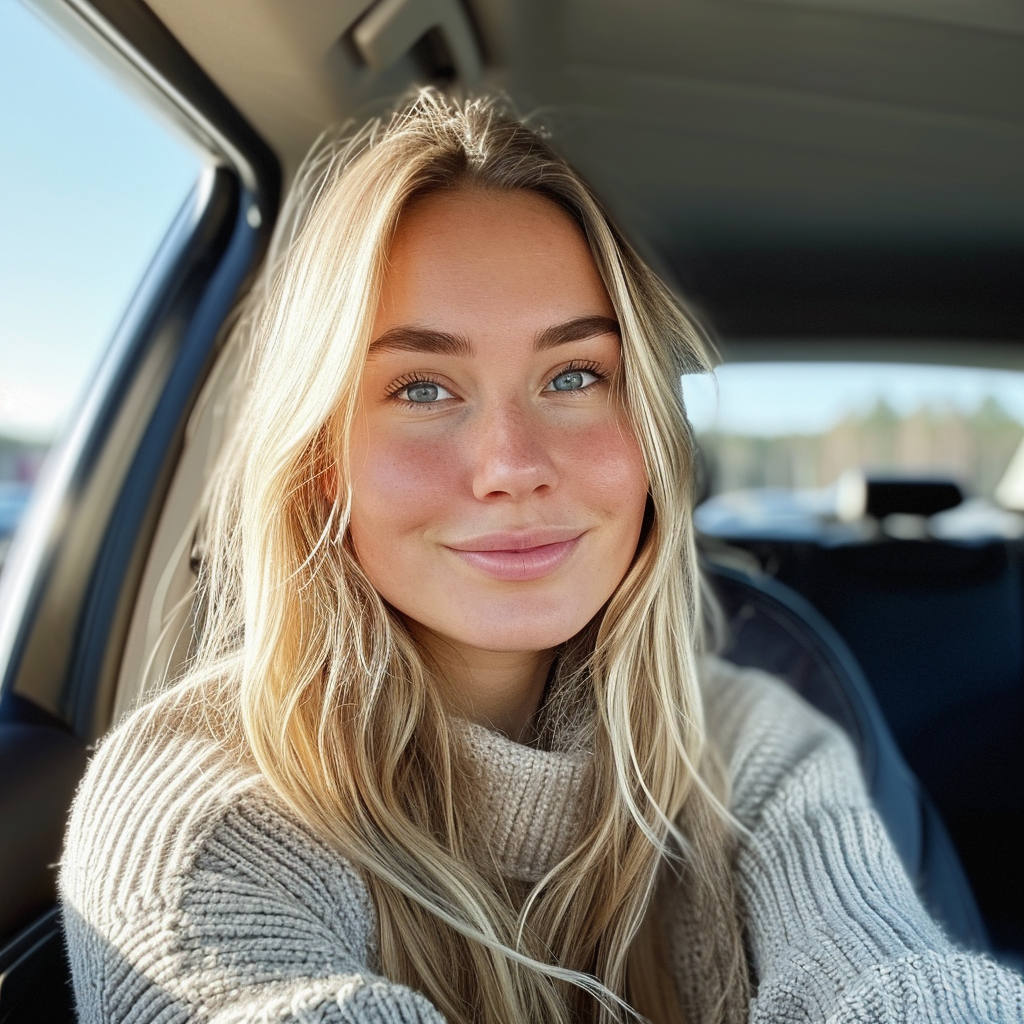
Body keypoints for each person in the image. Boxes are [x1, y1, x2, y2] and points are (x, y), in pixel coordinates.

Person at [59, 91, 1023, 1024]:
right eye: (423, 389)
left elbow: (885, 975)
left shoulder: (752, 740)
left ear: (648, 430)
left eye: (573, 375)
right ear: (319, 462)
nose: (513, 467)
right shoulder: (204, 812)